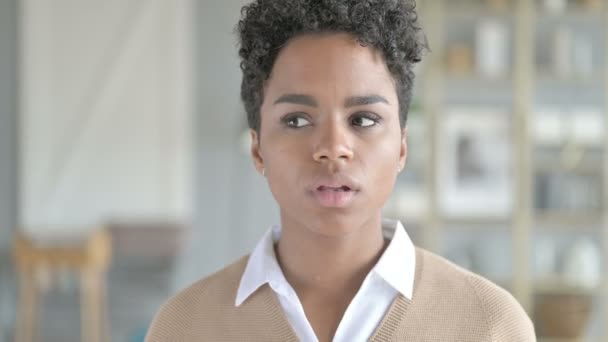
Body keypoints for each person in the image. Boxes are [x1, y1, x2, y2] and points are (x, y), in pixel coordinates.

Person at [146, 0, 535, 341]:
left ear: (401, 146)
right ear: (258, 148)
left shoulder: (490, 325)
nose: (333, 149)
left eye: (364, 120)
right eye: (297, 120)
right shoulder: (183, 328)